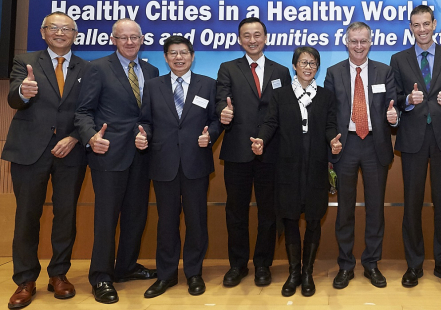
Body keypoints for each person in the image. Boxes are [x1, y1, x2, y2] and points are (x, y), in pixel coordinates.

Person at [3, 12, 88, 309]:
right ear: (43, 32)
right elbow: (14, 97)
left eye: (67, 28)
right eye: (54, 27)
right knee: (27, 216)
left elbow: (90, 110)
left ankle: (59, 274)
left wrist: (76, 136)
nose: (60, 33)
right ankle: (25, 279)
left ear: (75, 34)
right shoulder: (25, 61)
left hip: (71, 151)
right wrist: (23, 92)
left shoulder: (87, 68)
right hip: (29, 150)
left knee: (65, 215)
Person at [75, 18, 159, 304]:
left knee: (136, 216)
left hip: (141, 154)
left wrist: (146, 133)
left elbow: (149, 116)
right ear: (113, 40)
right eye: (123, 37)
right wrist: (90, 137)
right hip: (107, 154)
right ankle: (100, 276)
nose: (129, 42)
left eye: (134, 37)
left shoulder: (152, 70)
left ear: (142, 39)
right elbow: (83, 112)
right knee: (107, 218)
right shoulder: (97, 68)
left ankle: (125, 267)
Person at [135, 36, 222, 298]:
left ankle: (194, 273)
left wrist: (212, 135)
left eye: (184, 52)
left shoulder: (208, 85)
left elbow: (216, 119)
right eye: (173, 53)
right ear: (165, 57)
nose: (179, 57)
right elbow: (146, 121)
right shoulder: (152, 86)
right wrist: (143, 136)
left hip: (196, 163)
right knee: (167, 222)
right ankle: (166, 275)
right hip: (163, 164)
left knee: (197, 221)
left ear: (192, 56)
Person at [251, 47, 341, 297]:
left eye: (313, 63)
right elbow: (270, 122)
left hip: (315, 165)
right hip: (287, 166)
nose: (308, 67)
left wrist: (333, 141)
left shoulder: (326, 96)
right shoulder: (280, 94)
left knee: (313, 217)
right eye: (303, 62)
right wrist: (260, 140)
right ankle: (294, 272)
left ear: (317, 67)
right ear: (294, 65)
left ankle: (308, 272)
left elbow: (330, 124)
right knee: (289, 217)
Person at [389, 5, 441, 289]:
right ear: (411, 27)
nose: (421, 29)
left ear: (434, 25)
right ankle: (414, 265)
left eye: (426, 24)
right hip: (412, 139)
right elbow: (393, 97)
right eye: (416, 25)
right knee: (412, 204)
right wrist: (407, 99)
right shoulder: (399, 59)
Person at [215, 17, 291, 287]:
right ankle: (237, 265)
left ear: (266, 38)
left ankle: (262, 264)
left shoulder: (281, 71)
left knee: (268, 212)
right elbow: (219, 100)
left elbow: (284, 110)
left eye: (257, 34)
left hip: (271, 152)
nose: (252, 40)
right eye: (246, 35)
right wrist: (222, 113)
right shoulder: (227, 68)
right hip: (237, 151)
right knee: (236, 211)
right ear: (239, 40)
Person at [323, 22, 398, 289]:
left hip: (375, 145)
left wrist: (394, 116)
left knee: (375, 209)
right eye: (353, 41)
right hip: (346, 145)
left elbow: (394, 107)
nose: (358, 46)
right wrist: (331, 139)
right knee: (345, 210)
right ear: (346, 42)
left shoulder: (385, 71)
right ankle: (345, 265)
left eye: (363, 41)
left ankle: (371, 264)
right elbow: (328, 113)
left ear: (370, 42)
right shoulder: (333, 73)